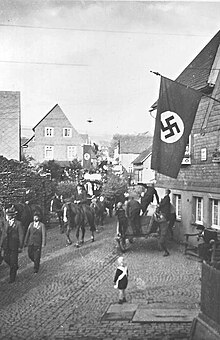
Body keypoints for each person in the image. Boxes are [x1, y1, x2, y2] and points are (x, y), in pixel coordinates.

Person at [0, 206, 24, 283]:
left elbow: (21, 235)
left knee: (13, 261)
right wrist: (1, 245)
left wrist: (20, 246)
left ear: (11, 216)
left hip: (14, 246)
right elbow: (3, 235)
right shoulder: (6, 224)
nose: (7, 217)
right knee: (6, 259)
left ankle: (12, 278)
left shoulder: (18, 224)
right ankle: (14, 266)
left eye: (8, 215)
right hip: (6, 245)